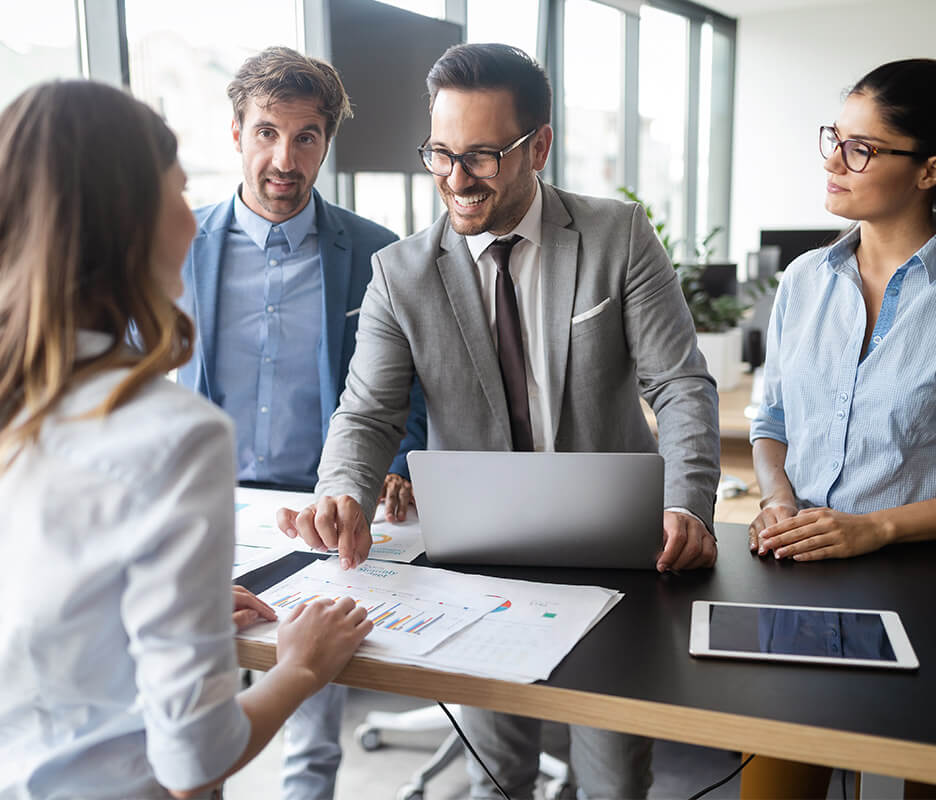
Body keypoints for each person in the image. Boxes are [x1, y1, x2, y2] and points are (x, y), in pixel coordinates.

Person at [279, 43, 721, 800]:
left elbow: (680, 385)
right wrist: (341, 490)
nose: (456, 178)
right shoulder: (403, 273)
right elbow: (368, 410)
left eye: (481, 155)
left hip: (615, 550)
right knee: (495, 778)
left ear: (538, 146)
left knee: (614, 781)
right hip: (478, 560)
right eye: (440, 153)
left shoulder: (618, 236)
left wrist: (686, 503)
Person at [0, 80, 372, 800]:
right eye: (177, 191)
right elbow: (193, 761)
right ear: (131, 223)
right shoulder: (175, 439)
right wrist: (299, 666)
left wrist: (174, 596)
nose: (192, 218)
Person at [744, 58, 936, 799]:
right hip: (798, 581)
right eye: (834, 137)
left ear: (931, 170)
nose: (833, 161)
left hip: (924, 589)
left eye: (861, 147)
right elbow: (772, 422)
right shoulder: (799, 281)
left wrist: (875, 529)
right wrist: (776, 499)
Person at [176, 47, 427, 800]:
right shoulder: (172, 243)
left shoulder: (379, 254)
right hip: (200, 515)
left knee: (313, 702)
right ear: (236, 134)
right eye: (266, 133)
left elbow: (408, 389)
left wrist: (400, 465)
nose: (285, 158)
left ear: (326, 141)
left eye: (306, 137)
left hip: (317, 515)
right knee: (192, 710)